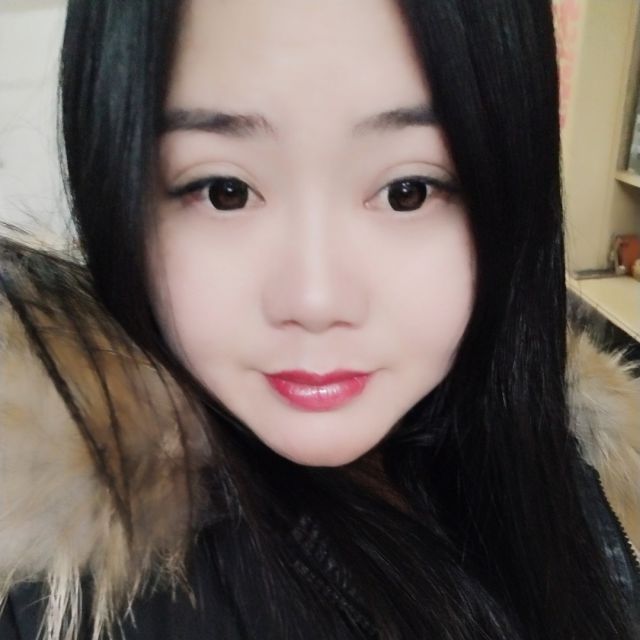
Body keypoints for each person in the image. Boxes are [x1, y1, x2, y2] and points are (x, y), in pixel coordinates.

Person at [0, 0, 638, 638]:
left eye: (408, 191)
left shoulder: (581, 448)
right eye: (224, 191)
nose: (314, 300)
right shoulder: (60, 597)